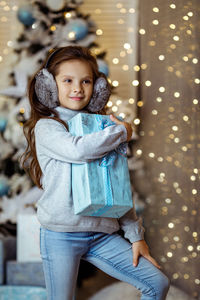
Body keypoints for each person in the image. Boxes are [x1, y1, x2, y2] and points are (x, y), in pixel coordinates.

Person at [21, 45, 170, 300]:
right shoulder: (48, 127)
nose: (78, 88)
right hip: (61, 234)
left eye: (86, 81)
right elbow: (77, 150)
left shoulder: (103, 128)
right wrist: (121, 131)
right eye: (67, 80)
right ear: (49, 85)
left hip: (102, 233)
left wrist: (135, 236)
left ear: (97, 88)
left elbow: (117, 183)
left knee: (157, 283)